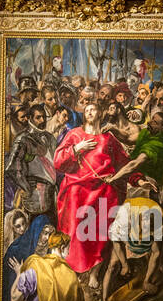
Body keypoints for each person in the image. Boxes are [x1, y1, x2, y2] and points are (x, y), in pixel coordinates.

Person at [53, 101, 128, 286]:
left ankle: (94, 272)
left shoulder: (108, 138)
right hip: (77, 187)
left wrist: (138, 179)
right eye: (86, 110)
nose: (89, 112)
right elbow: (58, 161)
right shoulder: (75, 134)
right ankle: (75, 269)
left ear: (100, 113)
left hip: (103, 188)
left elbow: (124, 163)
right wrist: (77, 148)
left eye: (93, 109)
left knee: (101, 227)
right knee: (78, 225)